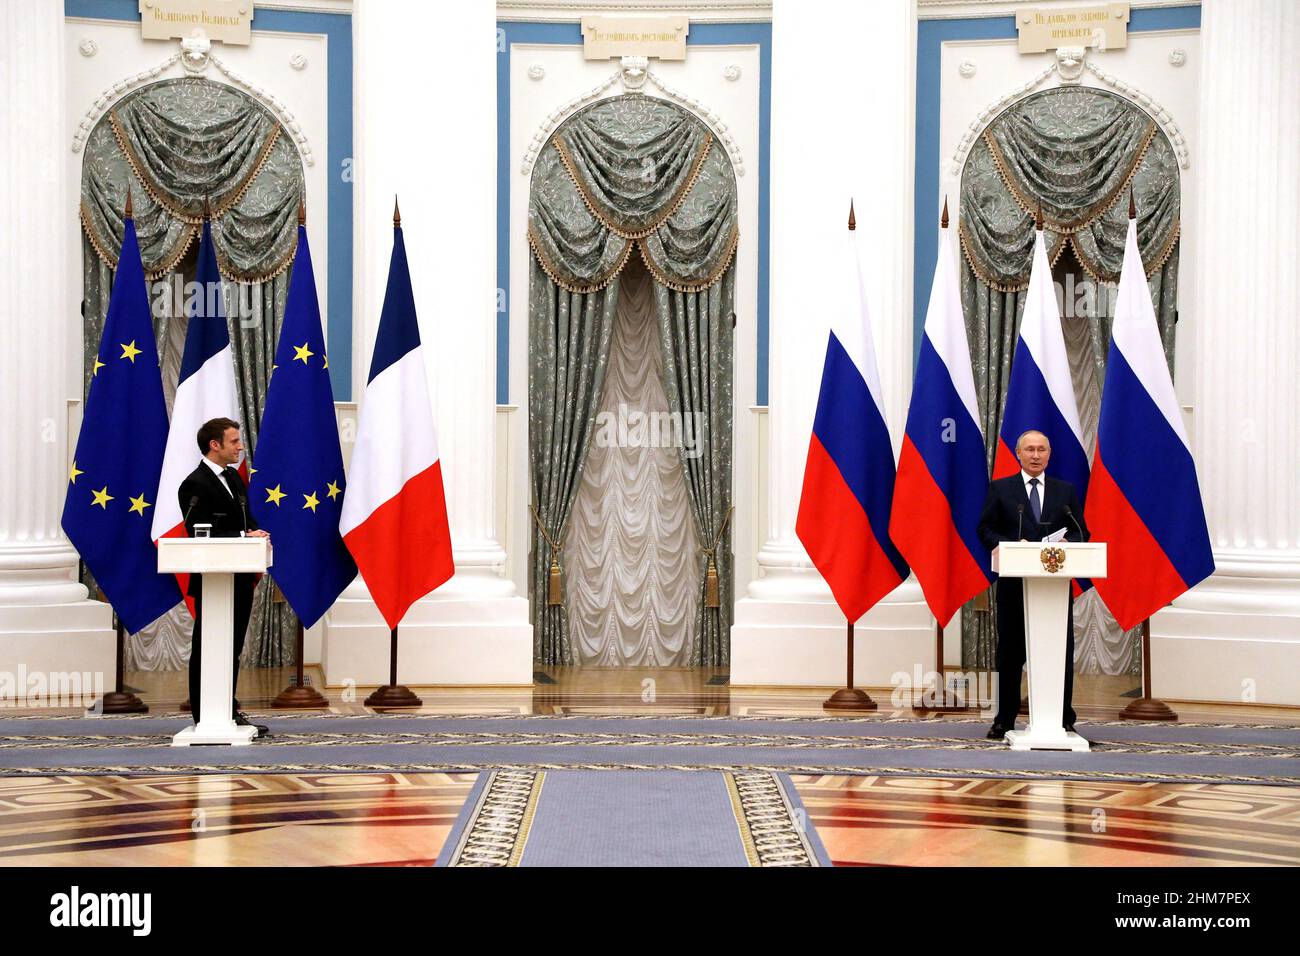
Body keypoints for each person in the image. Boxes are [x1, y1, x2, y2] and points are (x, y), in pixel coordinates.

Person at [976, 429, 1088, 740]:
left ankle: (1063, 719)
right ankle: (1005, 720)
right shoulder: (1001, 489)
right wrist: (1014, 546)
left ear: (1049, 455)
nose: (1036, 455)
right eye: (1030, 450)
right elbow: (985, 529)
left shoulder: (1065, 492)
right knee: (1010, 654)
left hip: (1053, 588)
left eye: (1041, 449)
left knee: (1059, 653)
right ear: (1019, 454)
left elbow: (1082, 532)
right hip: (1014, 585)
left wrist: (1069, 541)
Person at [179, 417, 270, 737]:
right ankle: (203, 712)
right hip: (214, 578)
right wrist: (243, 535)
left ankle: (227, 710)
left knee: (231, 646)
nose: (240, 446)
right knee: (209, 644)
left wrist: (254, 534)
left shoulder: (233, 478)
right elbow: (198, 531)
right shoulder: (194, 484)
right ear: (214, 445)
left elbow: (245, 518)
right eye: (234, 441)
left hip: (239, 575)